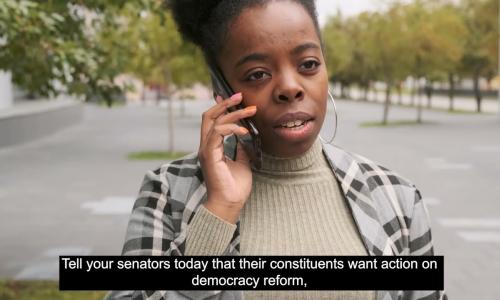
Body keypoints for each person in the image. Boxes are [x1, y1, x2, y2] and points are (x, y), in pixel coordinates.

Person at [107, 0, 447, 299]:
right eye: (257, 74)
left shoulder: (396, 197)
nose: (289, 87)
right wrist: (218, 212)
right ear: (222, 90)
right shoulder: (168, 192)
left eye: (308, 64)